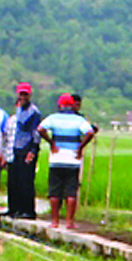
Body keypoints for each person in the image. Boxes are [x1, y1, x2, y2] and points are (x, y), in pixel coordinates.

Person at [38, 93, 97, 228]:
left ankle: (55, 221)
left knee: (54, 191)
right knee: (71, 190)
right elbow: (90, 132)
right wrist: (81, 146)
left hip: (56, 158)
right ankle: (69, 222)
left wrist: (51, 142)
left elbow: (40, 128)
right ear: (71, 105)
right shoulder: (78, 120)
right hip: (73, 158)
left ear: (60, 105)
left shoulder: (53, 118)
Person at [5, 82, 43, 220]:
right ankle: (14, 208)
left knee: (25, 180)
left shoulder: (34, 111)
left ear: (29, 95)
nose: (22, 97)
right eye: (21, 94)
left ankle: (27, 210)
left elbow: (36, 133)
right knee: (13, 179)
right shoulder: (18, 109)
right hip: (16, 147)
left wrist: (33, 150)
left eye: (25, 94)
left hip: (27, 147)